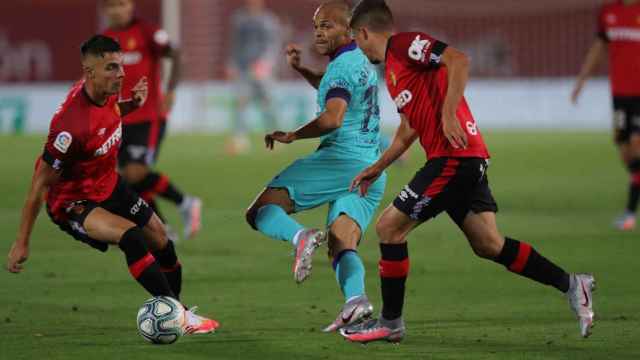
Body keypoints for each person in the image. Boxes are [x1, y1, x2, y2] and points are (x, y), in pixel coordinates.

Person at [341, 0, 596, 343]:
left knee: (389, 227)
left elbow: (458, 59)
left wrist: (448, 114)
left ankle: (391, 322)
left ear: (363, 32)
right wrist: (376, 167)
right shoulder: (390, 71)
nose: (357, 47)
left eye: (355, 40)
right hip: (463, 158)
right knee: (489, 244)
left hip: (453, 157)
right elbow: (407, 130)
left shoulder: (404, 45)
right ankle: (572, 284)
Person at [5, 35, 217, 334]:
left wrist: (133, 105)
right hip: (74, 202)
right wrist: (22, 242)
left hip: (109, 184)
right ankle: (180, 315)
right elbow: (39, 184)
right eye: (112, 68)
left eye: (120, 66)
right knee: (131, 237)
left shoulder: (107, 92)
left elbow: (110, 115)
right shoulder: (69, 127)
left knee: (162, 241)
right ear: (89, 72)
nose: (120, 74)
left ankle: (177, 315)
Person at [245, 1, 386, 332]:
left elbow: (333, 117)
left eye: (328, 26)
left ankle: (300, 237)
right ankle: (356, 300)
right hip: (371, 170)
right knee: (341, 242)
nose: (320, 32)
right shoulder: (358, 61)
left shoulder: (342, 67)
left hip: (341, 161)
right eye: (317, 26)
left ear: (348, 30)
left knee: (260, 210)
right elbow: (334, 86)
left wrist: (295, 134)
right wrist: (302, 70)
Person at [102, 0, 202, 240]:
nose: (117, 10)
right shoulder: (104, 39)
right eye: (111, 5)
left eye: (121, 4)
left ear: (130, 6)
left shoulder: (147, 31)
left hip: (148, 117)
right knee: (128, 181)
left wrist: (171, 90)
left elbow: (175, 54)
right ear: (106, 10)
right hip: (118, 118)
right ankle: (163, 229)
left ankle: (185, 202)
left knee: (135, 174)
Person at [572, 0, 640, 231]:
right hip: (620, 95)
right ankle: (635, 185)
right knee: (625, 151)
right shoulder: (609, 12)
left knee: (636, 144)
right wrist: (582, 80)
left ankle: (630, 212)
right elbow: (598, 48)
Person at [225, 0, 281, 155]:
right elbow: (235, 44)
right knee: (241, 102)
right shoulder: (239, 19)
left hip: (262, 69)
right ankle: (240, 138)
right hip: (243, 68)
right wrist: (232, 65)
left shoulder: (268, 20)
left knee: (267, 102)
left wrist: (265, 63)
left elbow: (273, 45)